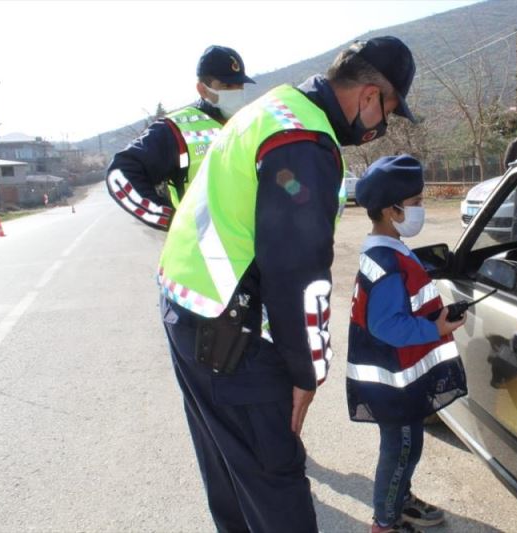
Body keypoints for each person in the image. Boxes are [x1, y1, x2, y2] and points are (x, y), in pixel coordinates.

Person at [157, 36, 417, 532]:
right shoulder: (304, 143)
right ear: (367, 96)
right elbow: (299, 273)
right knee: (275, 487)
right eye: (388, 111)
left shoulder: (275, 107)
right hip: (232, 337)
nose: (382, 126)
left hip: (187, 305)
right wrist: (306, 373)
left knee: (231, 475)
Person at [347, 154, 468, 533]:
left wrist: (436, 319)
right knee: (399, 453)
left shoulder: (390, 249)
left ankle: (400, 499)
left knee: (407, 448)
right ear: (391, 210)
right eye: (415, 203)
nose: (421, 210)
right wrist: (437, 328)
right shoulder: (385, 262)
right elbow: (389, 326)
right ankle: (385, 522)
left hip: (400, 380)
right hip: (391, 385)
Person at [106, 45, 257, 230]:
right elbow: (120, 173)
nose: (236, 91)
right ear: (202, 89)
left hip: (253, 247)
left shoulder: (251, 122)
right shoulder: (176, 128)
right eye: (226, 86)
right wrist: (169, 219)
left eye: (239, 85)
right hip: (202, 253)